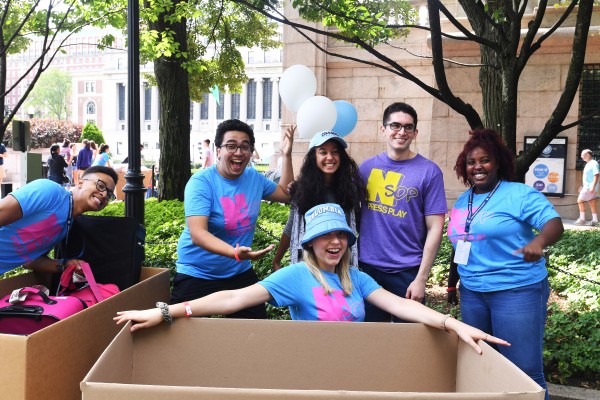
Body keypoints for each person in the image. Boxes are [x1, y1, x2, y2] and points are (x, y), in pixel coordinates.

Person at [115, 203, 510, 356]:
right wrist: (166, 311)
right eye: (326, 236)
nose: (335, 242)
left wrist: (453, 323)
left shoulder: (358, 278)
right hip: (306, 368)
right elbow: (232, 299)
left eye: (341, 236)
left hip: (352, 371)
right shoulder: (296, 276)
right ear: (311, 242)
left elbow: (401, 305)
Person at [446, 128, 564, 400]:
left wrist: (539, 242)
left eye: (484, 160)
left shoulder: (519, 194)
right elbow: (459, 247)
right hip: (473, 293)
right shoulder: (464, 200)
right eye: (471, 162)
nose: (478, 167)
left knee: (523, 372)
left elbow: (554, 224)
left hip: (516, 291)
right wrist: (453, 286)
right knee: (484, 366)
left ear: (498, 162)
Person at [169, 119, 294, 319]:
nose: (239, 152)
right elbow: (198, 234)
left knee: (255, 332)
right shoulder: (201, 182)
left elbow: (285, 194)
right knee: (182, 335)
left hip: (238, 272)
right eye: (231, 146)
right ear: (218, 150)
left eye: (245, 147)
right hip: (197, 272)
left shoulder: (254, 178)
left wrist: (287, 156)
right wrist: (235, 253)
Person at [358, 102, 447, 322]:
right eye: (395, 125)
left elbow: (435, 227)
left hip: (408, 271)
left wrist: (421, 278)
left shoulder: (429, 171)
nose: (401, 132)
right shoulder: (366, 168)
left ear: (415, 133)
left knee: (409, 342)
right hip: (368, 270)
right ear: (383, 129)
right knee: (370, 340)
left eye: (408, 127)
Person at [0, 165, 118, 275]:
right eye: (101, 186)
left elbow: (30, 262)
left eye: (109, 194)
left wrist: (65, 266)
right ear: (80, 182)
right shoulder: (49, 191)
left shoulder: (67, 224)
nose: (103, 194)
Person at [272, 130, 363, 271]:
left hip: (341, 265)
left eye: (335, 152)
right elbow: (291, 226)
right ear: (313, 156)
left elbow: (357, 226)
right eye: (323, 152)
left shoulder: (350, 190)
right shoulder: (301, 189)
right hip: (308, 265)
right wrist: (277, 260)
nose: (330, 157)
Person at [573, 149, 599, 226]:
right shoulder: (589, 163)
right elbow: (588, 177)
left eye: (582, 154)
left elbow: (596, 175)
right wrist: (582, 186)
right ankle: (595, 220)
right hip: (588, 187)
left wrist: (592, 187)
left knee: (580, 200)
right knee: (591, 202)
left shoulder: (593, 163)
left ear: (587, 154)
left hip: (589, 187)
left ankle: (582, 219)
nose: (581, 156)